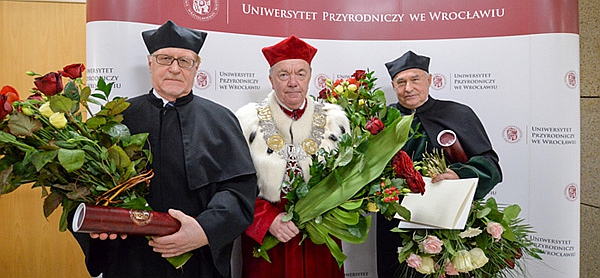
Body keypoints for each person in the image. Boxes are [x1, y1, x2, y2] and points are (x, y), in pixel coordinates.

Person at [70, 20, 258, 278]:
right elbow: (83, 184)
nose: (174, 68)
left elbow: (239, 190)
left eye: (184, 61)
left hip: (197, 262)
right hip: (131, 259)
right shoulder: (115, 117)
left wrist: (204, 230)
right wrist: (98, 223)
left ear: (196, 67)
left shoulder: (221, 120)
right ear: (150, 63)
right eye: (165, 58)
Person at [376, 50, 503, 278]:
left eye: (415, 79)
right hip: (396, 226)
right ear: (394, 86)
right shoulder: (383, 120)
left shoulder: (458, 114)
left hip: (450, 226)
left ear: (430, 80)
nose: (408, 88)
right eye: (401, 82)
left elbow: (490, 165)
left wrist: (458, 175)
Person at [235, 36, 350, 278]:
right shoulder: (247, 121)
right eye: (283, 75)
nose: (293, 83)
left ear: (310, 77)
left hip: (319, 238)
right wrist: (266, 220)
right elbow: (233, 185)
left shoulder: (335, 121)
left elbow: (349, 180)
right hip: (268, 241)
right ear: (271, 79)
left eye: (300, 74)